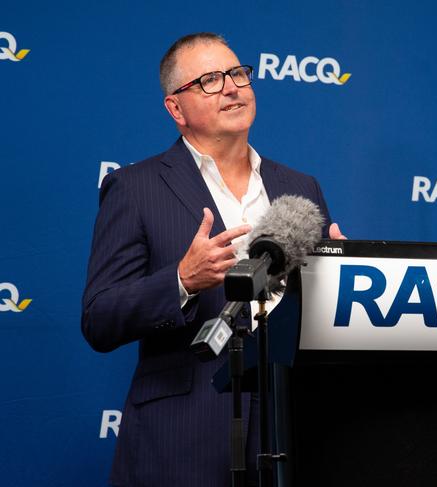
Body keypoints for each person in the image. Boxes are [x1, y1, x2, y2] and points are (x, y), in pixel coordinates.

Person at [82, 32, 344, 487]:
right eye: (209, 80)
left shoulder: (301, 187)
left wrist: (340, 274)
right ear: (175, 109)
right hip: (184, 432)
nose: (231, 87)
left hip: (291, 423)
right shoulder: (136, 188)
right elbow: (100, 317)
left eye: (238, 73)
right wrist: (182, 280)